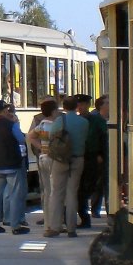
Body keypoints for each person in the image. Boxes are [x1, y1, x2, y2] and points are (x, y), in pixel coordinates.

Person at [44, 96, 88, 238]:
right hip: (77, 159)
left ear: (64, 106)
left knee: (57, 193)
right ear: (76, 107)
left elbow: (51, 137)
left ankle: (55, 227)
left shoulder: (59, 121)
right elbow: (85, 139)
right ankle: (71, 228)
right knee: (72, 193)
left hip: (60, 159)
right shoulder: (84, 122)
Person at [0, 100, 29, 235]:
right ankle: (15, 226)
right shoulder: (11, 125)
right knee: (15, 194)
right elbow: (21, 140)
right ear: (4, 110)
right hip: (12, 165)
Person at [76, 94, 108, 228]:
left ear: (87, 105)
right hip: (79, 156)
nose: (80, 107)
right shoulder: (76, 120)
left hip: (93, 157)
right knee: (80, 190)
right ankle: (84, 217)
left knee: (91, 187)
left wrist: (101, 154)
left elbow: (104, 139)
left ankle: (89, 214)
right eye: (78, 105)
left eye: (82, 104)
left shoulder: (97, 120)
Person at [27, 98, 59, 229]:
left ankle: (47, 222)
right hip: (53, 159)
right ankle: (54, 222)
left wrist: (41, 148)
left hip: (42, 158)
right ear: (53, 111)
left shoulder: (42, 125)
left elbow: (30, 136)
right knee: (54, 191)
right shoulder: (56, 125)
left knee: (46, 190)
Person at [90, 95, 110, 217]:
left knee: (109, 183)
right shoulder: (96, 119)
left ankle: (110, 209)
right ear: (101, 105)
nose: (110, 105)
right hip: (100, 156)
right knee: (99, 184)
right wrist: (97, 154)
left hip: (111, 155)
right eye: (107, 103)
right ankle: (95, 209)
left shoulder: (113, 118)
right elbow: (93, 138)